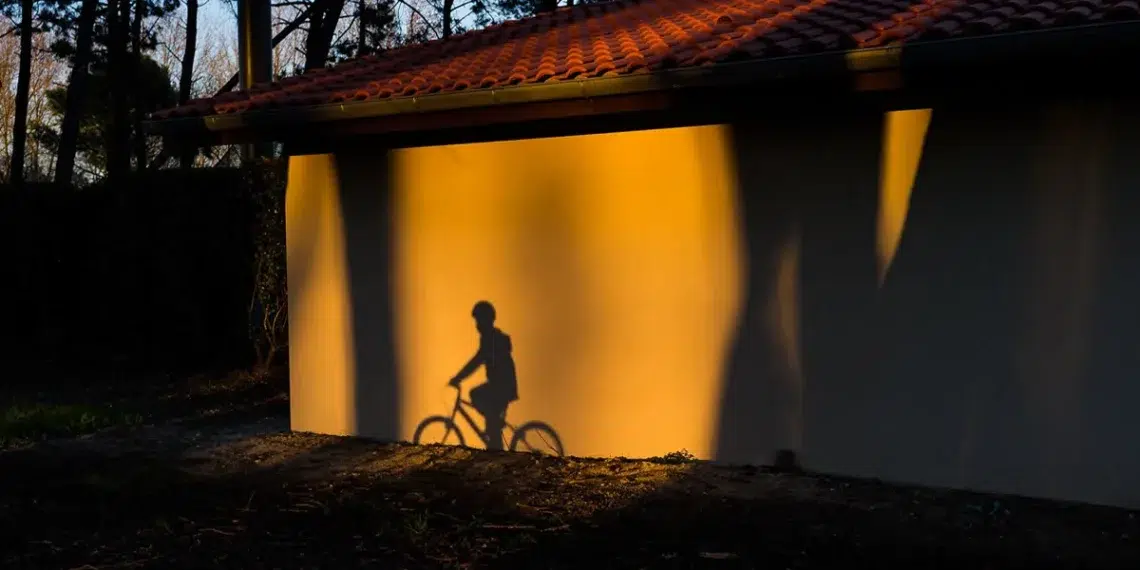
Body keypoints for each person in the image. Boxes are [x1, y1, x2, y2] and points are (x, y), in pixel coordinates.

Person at [448, 301, 519, 450]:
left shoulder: (492, 339)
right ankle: (493, 428)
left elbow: (477, 361)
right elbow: (478, 360)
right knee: (489, 416)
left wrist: (458, 378)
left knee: (477, 394)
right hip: (501, 386)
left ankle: (493, 427)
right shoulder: (491, 338)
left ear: (486, 320)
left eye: (479, 320)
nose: (477, 325)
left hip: (502, 386)